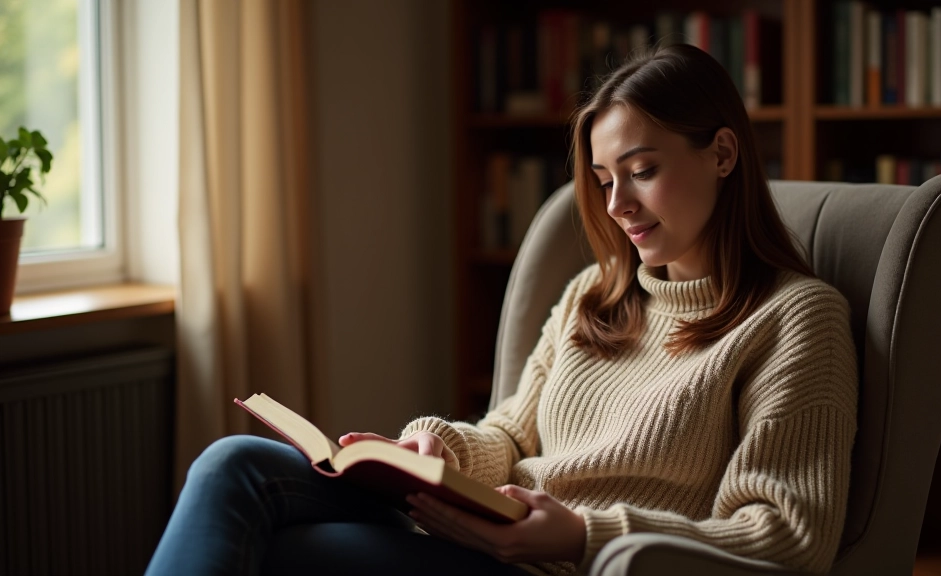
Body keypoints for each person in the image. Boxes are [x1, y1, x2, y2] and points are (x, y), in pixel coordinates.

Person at [146, 43, 858, 576]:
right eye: (607, 179)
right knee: (233, 459)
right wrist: (438, 452)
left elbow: (787, 534)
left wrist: (583, 533)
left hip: (555, 565)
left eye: (643, 171)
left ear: (724, 154)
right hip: (473, 527)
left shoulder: (795, 320)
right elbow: (512, 436)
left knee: (297, 553)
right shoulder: (596, 293)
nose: (617, 206)